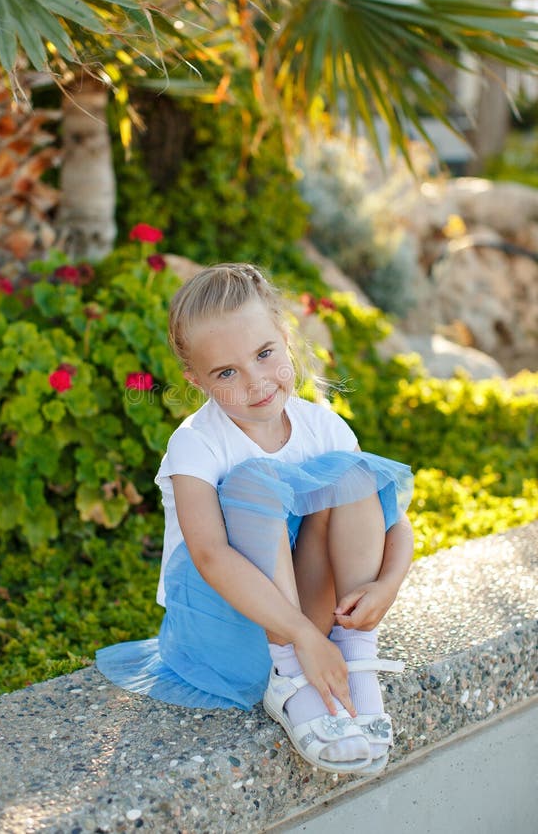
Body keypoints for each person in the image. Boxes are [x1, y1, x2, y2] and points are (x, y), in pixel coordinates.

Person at [97, 263, 414, 776]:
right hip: (232, 626)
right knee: (252, 482)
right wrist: (301, 637)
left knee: (354, 474)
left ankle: (355, 656)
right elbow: (209, 555)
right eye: (226, 372)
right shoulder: (197, 443)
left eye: (265, 354)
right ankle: (289, 680)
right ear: (195, 379)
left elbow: (393, 522)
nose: (256, 382)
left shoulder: (321, 425)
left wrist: (387, 586)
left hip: (317, 617)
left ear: (285, 339)